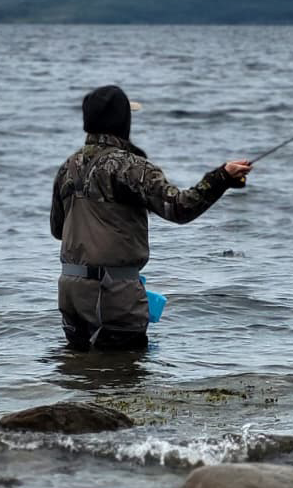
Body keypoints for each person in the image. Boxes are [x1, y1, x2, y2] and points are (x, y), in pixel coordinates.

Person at [50, 83, 251, 350]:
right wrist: (221, 178)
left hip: (70, 292)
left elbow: (57, 229)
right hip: (114, 295)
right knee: (125, 379)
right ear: (123, 121)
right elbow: (180, 208)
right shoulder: (131, 166)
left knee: (80, 377)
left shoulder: (68, 167)